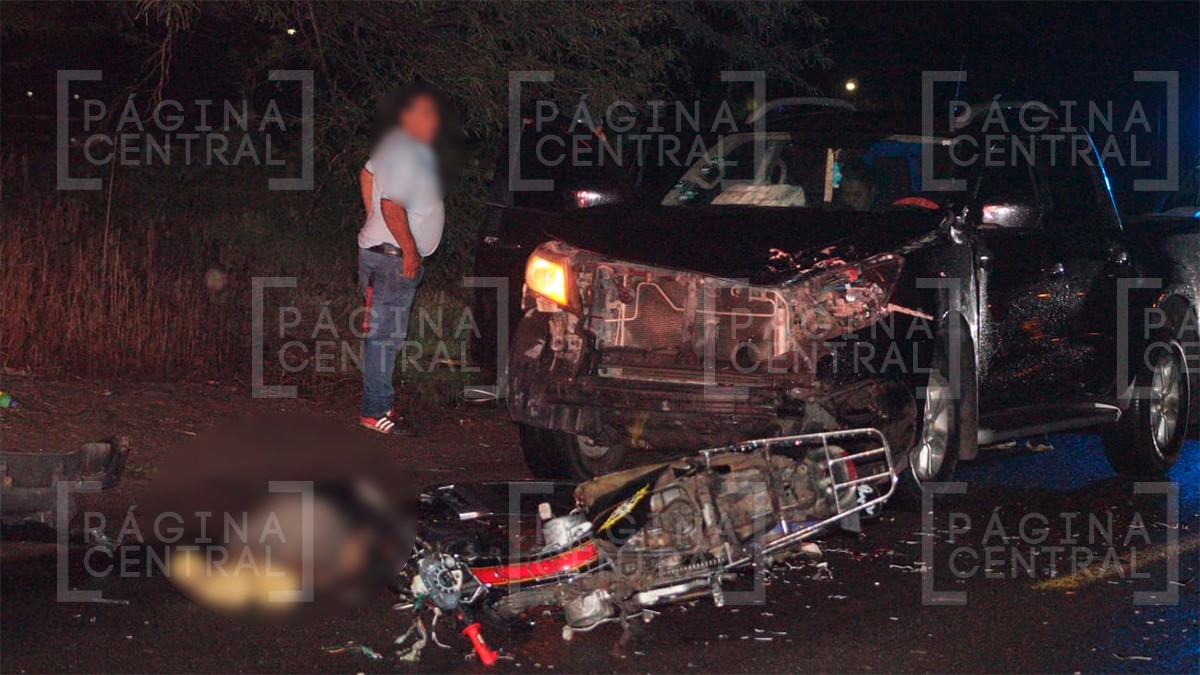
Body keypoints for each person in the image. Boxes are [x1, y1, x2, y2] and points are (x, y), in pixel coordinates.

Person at [357, 84, 445, 434]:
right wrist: (409, 248)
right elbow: (391, 204)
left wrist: (371, 218)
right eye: (423, 114)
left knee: (384, 334)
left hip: (384, 254)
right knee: (385, 337)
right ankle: (374, 412)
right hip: (392, 259)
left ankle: (380, 404)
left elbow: (366, 174)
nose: (432, 121)